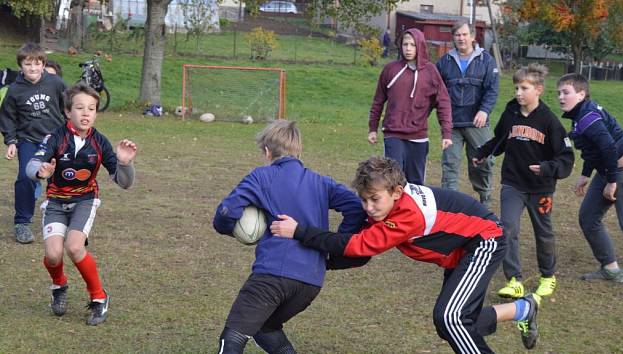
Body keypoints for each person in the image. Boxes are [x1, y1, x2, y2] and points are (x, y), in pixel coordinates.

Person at [271, 156, 542, 353]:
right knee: (451, 323)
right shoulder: (388, 205)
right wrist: (319, 261)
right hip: (461, 249)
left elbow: (359, 246)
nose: (368, 207)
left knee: (451, 318)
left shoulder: (407, 214)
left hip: (485, 241)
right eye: (363, 200)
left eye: (374, 200)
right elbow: (360, 253)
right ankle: (523, 309)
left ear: (397, 192)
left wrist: (300, 232)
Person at [212, 120, 367, 354]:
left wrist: (232, 229)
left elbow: (226, 213)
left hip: (272, 276)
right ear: (298, 151)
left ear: (267, 151)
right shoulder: (321, 181)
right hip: (311, 282)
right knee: (265, 327)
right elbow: (356, 206)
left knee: (232, 338)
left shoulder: (260, 177)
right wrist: (336, 244)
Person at [26, 83, 137, 325]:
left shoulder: (100, 142)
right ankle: (59, 285)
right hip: (55, 202)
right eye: (79, 108)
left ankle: (99, 298)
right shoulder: (55, 137)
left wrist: (125, 163)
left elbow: (124, 183)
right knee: (53, 255)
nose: (86, 113)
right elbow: (31, 166)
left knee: (74, 247)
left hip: (85, 200)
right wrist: (40, 171)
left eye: (92, 108)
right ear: (67, 112)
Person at [473, 64, 574, 299]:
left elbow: (566, 158)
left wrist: (548, 168)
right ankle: (514, 280)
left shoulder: (549, 121)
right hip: (513, 183)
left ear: (538, 89)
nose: (518, 92)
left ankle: (548, 276)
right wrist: (482, 152)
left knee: (544, 232)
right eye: (516, 87)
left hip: (541, 188)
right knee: (507, 227)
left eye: (524, 88)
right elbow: (499, 139)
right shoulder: (511, 113)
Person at [557, 73, 623, 283]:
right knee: (588, 218)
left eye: (566, 92)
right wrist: (585, 174)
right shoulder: (581, 116)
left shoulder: (587, 117)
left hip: (622, 173)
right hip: (607, 171)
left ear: (581, 94)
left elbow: (607, 147)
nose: (561, 97)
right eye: (559, 92)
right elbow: (594, 149)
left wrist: (612, 181)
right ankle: (611, 270)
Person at [0, 42, 67, 244]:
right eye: (28, 64)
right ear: (21, 65)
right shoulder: (14, 90)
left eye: (37, 64)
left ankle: (66, 221)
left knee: (63, 178)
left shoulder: (56, 83)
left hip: (55, 139)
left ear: (43, 64)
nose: (33, 68)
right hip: (29, 141)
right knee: (25, 178)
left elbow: (69, 105)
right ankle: (22, 223)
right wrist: (11, 141)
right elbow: (8, 117)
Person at [368, 28, 453, 186]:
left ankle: (413, 211)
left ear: (420, 46)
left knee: (416, 184)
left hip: (419, 137)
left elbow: (443, 102)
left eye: (412, 45)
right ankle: (394, 211)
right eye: (405, 44)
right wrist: (373, 128)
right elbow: (378, 101)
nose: (408, 48)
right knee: (393, 180)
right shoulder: (390, 70)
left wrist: (446, 133)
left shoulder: (430, 72)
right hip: (393, 134)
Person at [436, 21, 499, 206]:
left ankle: (484, 200)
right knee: (450, 164)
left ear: (472, 36)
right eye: (457, 35)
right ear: (453, 38)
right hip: (452, 124)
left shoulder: (486, 60)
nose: (461, 38)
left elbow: (492, 90)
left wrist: (484, 111)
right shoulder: (444, 62)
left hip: (477, 122)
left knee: (484, 162)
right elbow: (436, 91)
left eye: (464, 34)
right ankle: (449, 207)